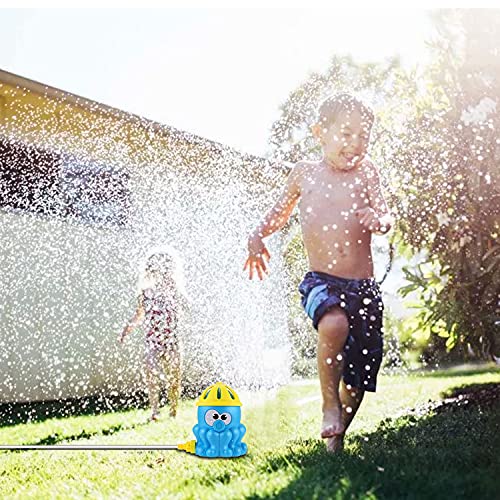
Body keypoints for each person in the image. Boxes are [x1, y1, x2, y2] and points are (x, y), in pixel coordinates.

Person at [244, 93, 393, 453]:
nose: (355, 143)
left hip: (365, 288)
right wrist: (257, 235)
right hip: (322, 282)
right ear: (319, 133)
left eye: (363, 136)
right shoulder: (305, 174)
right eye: (346, 133)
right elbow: (279, 212)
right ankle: (328, 403)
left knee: (360, 374)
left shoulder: (367, 171)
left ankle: (336, 435)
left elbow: (386, 212)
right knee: (334, 324)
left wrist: (381, 222)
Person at [119, 248, 187, 421]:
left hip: (172, 341)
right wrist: (126, 331)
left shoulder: (175, 291)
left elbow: (185, 308)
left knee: (174, 378)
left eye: (165, 270)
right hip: (153, 342)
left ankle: (173, 411)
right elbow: (139, 315)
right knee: (151, 372)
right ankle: (155, 411)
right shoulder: (146, 293)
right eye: (157, 270)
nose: (162, 274)